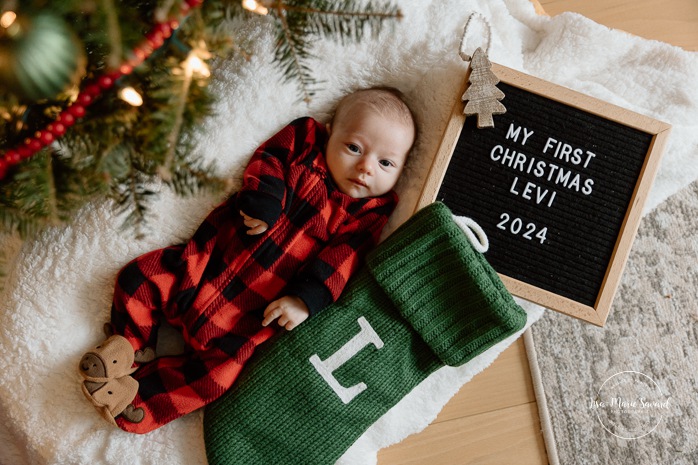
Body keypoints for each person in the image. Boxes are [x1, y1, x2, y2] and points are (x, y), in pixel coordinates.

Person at [78, 87, 417, 434]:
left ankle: (134, 400)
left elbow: (345, 259)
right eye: (355, 148)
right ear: (329, 132)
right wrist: (265, 201)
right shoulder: (303, 144)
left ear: (401, 169)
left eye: (385, 163)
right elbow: (268, 159)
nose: (365, 167)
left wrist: (305, 300)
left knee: (215, 379)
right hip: (200, 267)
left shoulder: (366, 213)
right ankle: (130, 347)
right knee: (140, 278)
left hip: (246, 320)